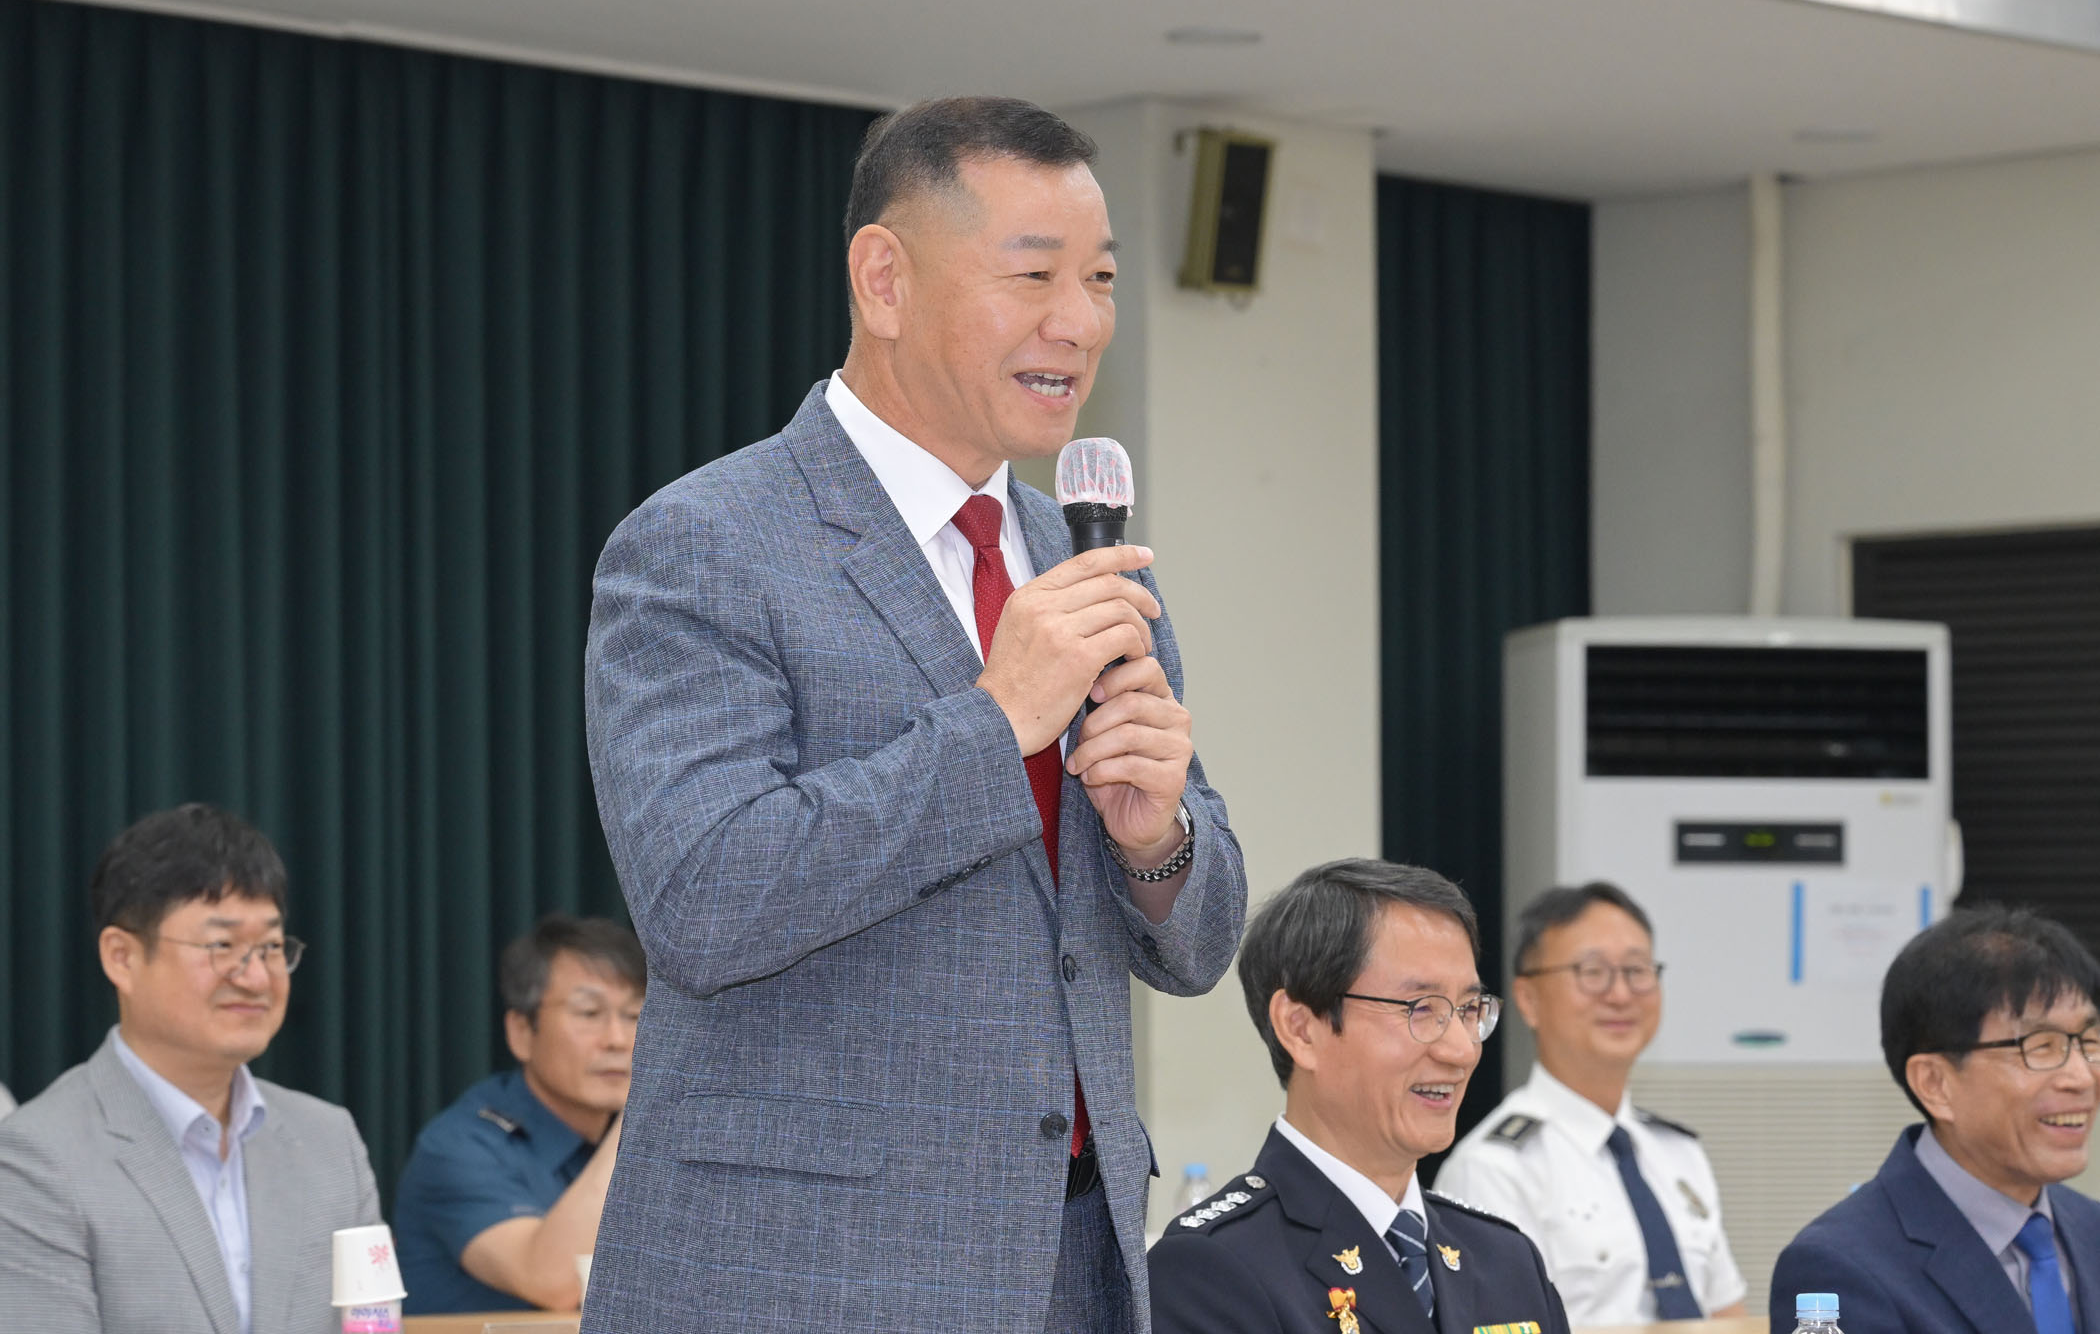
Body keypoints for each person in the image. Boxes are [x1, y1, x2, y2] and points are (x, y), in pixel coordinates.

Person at [582, 96, 1246, 1334]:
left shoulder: (1085, 560)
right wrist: (997, 724)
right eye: (1034, 275)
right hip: (808, 1279)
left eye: (1101, 278)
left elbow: (1197, 947)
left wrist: (1157, 838)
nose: (1080, 322)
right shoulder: (705, 542)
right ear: (883, 278)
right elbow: (704, 898)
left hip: (1075, 1266)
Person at [0, 804, 381, 1334]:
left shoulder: (330, 1143)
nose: (255, 978)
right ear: (122, 958)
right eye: (222, 946)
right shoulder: (35, 1158)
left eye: (271, 947)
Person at [1148, 858, 1570, 1334]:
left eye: (1469, 1009)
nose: (1461, 1050)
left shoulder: (1506, 1260)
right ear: (1301, 1028)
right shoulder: (1213, 1269)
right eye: (1420, 1008)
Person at [1770, 905, 2100, 1334]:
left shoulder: (2090, 1229)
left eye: (2090, 1041)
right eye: (2040, 1047)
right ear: (1935, 1084)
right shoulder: (1836, 1270)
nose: (2082, 1077)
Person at [1436, 882, 1745, 1323]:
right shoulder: (1493, 1170)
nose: (1620, 995)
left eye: (1637, 970)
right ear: (1529, 999)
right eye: (1592, 971)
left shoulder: (1680, 1154)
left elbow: (1729, 1316)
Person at [394, 915, 644, 1313]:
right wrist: (647, 1111)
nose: (618, 1039)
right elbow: (554, 1283)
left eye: (636, 1016)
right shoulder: (459, 1148)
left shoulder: (639, 1146)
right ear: (522, 1032)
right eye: (589, 1013)